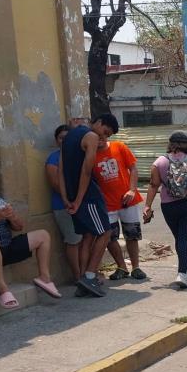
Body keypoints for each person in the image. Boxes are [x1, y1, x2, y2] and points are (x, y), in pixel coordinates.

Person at [0, 171, 62, 308]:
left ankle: (44, 278)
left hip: (7, 247)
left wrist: (12, 217)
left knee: (42, 235)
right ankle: (3, 290)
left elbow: (19, 227)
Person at [59, 114, 119, 297]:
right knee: (106, 232)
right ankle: (90, 275)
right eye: (105, 132)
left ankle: (83, 281)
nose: (104, 137)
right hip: (88, 196)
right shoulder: (91, 137)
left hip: (71, 194)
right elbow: (86, 171)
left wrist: (65, 197)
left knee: (88, 236)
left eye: (107, 136)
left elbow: (61, 169)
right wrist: (78, 200)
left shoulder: (69, 136)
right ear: (98, 123)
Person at [144, 131, 187, 288]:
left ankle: (186, 266)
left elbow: (154, 185)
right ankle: (182, 275)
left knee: (179, 238)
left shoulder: (159, 162)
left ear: (170, 144)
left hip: (168, 205)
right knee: (185, 239)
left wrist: (147, 205)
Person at [93, 137, 147, 280]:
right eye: (96, 137)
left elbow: (133, 168)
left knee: (132, 234)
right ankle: (121, 267)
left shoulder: (119, 147)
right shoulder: (90, 155)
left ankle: (136, 267)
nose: (99, 140)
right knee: (109, 237)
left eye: (102, 136)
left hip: (127, 201)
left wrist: (132, 190)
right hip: (107, 204)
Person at [46, 125, 84, 279]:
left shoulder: (79, 155)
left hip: (81, 204)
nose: (64, 141)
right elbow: (56, 184)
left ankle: (86, 273)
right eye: (61, 138)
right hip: (64, 206)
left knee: (83, 240)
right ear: (56, 141)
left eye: (68, 138)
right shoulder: (53, 159)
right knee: (73, 240)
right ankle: (77, 276)